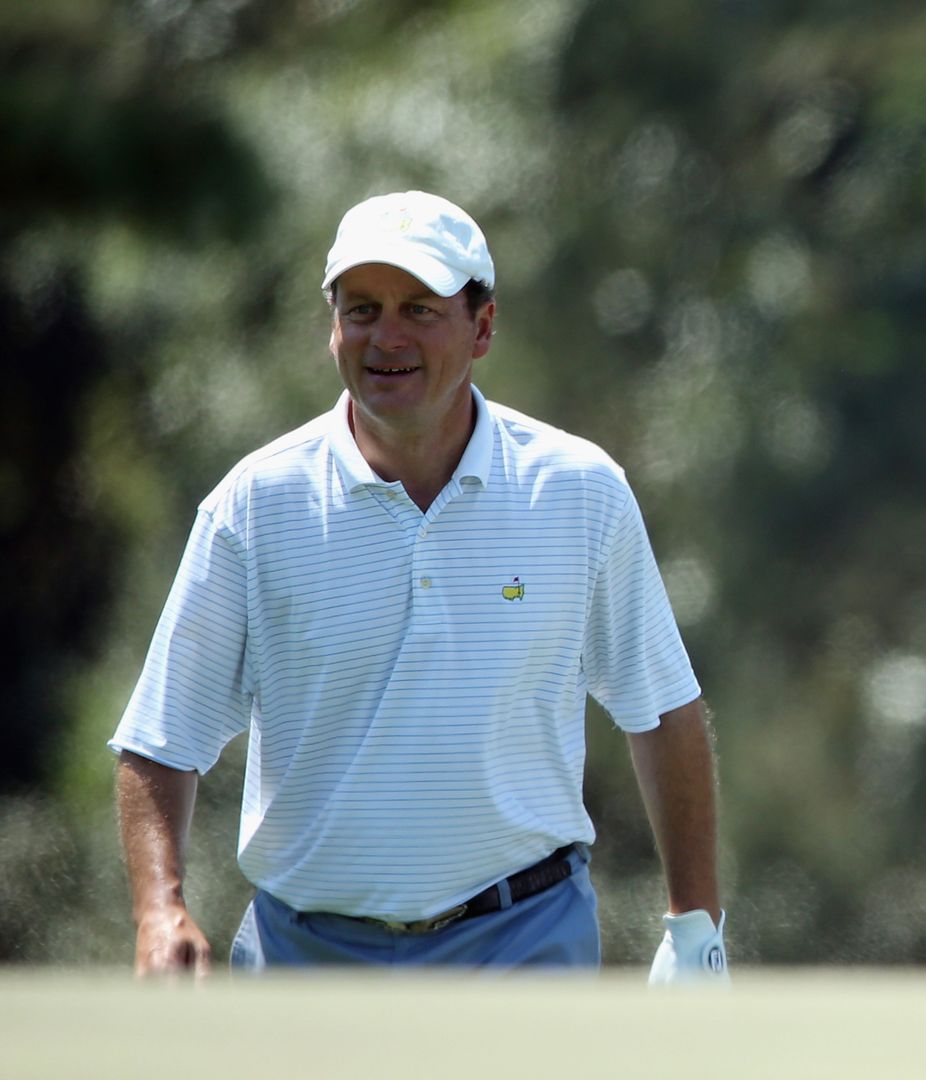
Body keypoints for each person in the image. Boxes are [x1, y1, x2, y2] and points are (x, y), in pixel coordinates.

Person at [112, 191, 728, 979]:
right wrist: (159, 907)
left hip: (525, 942)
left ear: (483, 327)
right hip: (306, 956)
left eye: (419, 309)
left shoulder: (578, 490)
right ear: (333, 327)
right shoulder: (254, 506)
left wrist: (695, 928)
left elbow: (663, 709)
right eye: (362, 309)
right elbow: (163, 739)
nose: (386, 337)